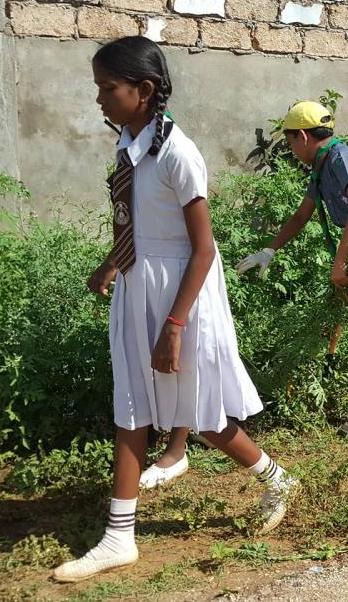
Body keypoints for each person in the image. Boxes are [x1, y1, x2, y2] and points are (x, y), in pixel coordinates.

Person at [54, 37, 295, 583]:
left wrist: (175, 325)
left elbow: (203, 248)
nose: (99, 99)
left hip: (181, 295)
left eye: (107, 88)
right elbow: (136, 220)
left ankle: (277, 478)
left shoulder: (177, 153)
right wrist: (114, 262)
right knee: (133, 405)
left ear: (142, 91)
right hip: (139, 285)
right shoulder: (130, 142)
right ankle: (119, 538)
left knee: (202, 414)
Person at [236, 102, 348, 440]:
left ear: (301, 136)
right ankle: (325, 382)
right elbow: (302, 215)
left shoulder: (340, 158)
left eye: (288, 141)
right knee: (339, 306)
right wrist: (269, 250)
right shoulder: (321, 165)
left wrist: (341, 259)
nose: (289, 148)